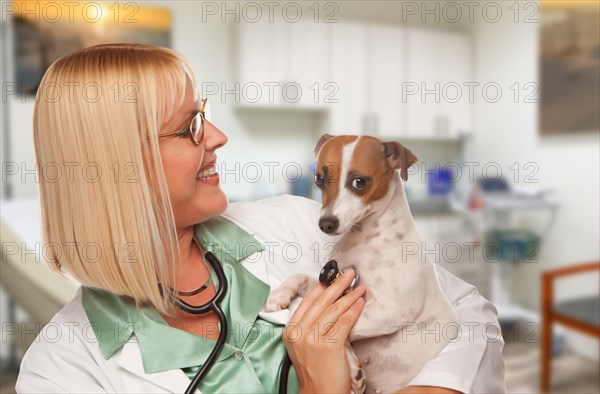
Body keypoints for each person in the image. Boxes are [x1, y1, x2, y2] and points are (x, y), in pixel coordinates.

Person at [16, 44, 506, 394]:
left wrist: (438, 387)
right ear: (115, 165)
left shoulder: (295, 223)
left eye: (204, 114)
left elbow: (468, 313)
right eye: (189, 127)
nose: (219, 136)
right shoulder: (60, 372)